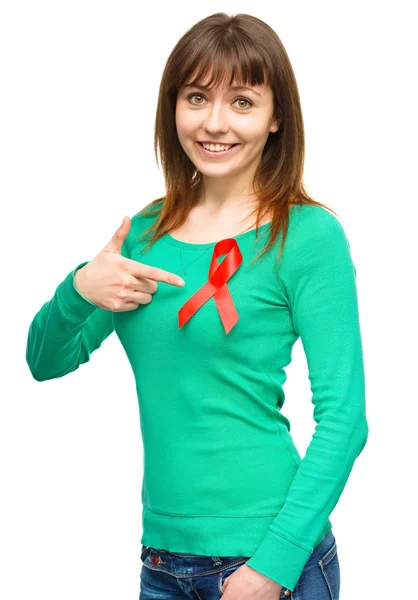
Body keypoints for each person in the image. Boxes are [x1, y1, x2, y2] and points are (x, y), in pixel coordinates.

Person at [26, 12, 368, 600]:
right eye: (196, 97)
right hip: (161, 560)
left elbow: (345, 421)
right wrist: (81, 286)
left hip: (267, 555)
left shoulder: (307, 236)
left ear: (276, 115)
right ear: (172, 108)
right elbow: (45, 360)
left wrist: (274, 565)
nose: (215, 122)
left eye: (242, 101)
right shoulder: (143, 235)